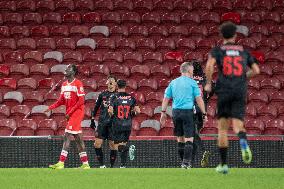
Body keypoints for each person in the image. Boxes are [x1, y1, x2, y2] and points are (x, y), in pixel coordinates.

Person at [204, 21, 260, 174]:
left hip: (224, 90)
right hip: (239, 91)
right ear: (235, 35)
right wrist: (243, 77)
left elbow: (209, 66)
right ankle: (242, 139)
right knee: (237, 125)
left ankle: (223, 165)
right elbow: (256, 70)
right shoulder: (244, 51)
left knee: (222, 128)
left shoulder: (218, 50)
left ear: (221, 35)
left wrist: (209, 83)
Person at [160, 61, 207, 169]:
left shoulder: (173, 82)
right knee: (189, 139)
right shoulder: (193, 83)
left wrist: (163, 113)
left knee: (180, 139)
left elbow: (166, 98)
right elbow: (199, 99)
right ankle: (186, 163)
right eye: (192, 71)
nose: (193, 72)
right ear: (189, 70)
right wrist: (204, 114)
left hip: (175, 112)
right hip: (187, 112)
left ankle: (183, 163)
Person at [45, 64, 90, 169]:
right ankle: (86, 164)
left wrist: (70, 112)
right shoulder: (64, 84)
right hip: (70, 113)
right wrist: (50, 107)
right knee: (78, 139)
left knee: (67, 135)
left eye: (68, 68)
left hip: (77, 112)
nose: (65, 69)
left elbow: (82, 101)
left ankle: (61, 162)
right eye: (65, 68)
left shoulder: (78, 83)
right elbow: (61, 100)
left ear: (73, 72)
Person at [108, 80, 140, 168]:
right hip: (128, 125)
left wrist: (112, 116)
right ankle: (123, 165)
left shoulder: (114, 97)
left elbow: (110, 111)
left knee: (116, 146)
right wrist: (132, 114)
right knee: (123, 144)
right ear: (125, 86)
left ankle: (128, 149)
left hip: (117, 124)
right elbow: (138, 111)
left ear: (117, 86)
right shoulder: (131, 97)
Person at [90, 75, 117, 168]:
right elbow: (96, 107)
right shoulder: (102, 95)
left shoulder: (118, 96)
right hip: (102, 124)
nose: (110, 84)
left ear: (115, 84)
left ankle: (111, 167)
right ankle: (102, 166)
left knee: (113, 146)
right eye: (108, 82)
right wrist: (92, 119)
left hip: (113, 125)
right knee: (97, 144)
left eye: (112, 82)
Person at [192, 60, 215, 167]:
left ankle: (203, 151)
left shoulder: (188, 79)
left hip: (191, 108)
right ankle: (195, 161)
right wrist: (206, 99)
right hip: (202, 109)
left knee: (192, 133)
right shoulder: (206, 80)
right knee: (194, 134)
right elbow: (213, 89)